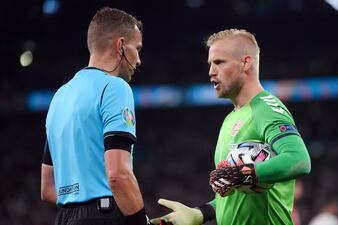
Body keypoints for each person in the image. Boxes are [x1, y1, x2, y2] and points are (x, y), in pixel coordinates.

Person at [150, 29, 311, 225]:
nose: (211, 71)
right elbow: (236, 193)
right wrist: (199, 213)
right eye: (210, 64)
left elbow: (299, 160)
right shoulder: (230, 119)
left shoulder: (265, 108)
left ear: (246, 62)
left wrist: (242, 173)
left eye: (219, 62)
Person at [41, 7, 148, 225]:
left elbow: (47, 189)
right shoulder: (115, 87)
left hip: (63, 218)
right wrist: (139, 221)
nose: (138, 60)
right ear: (120, 45)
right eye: (137, 48)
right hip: (104, 215)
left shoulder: (59, 96)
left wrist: (78, 201)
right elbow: (118, 175)